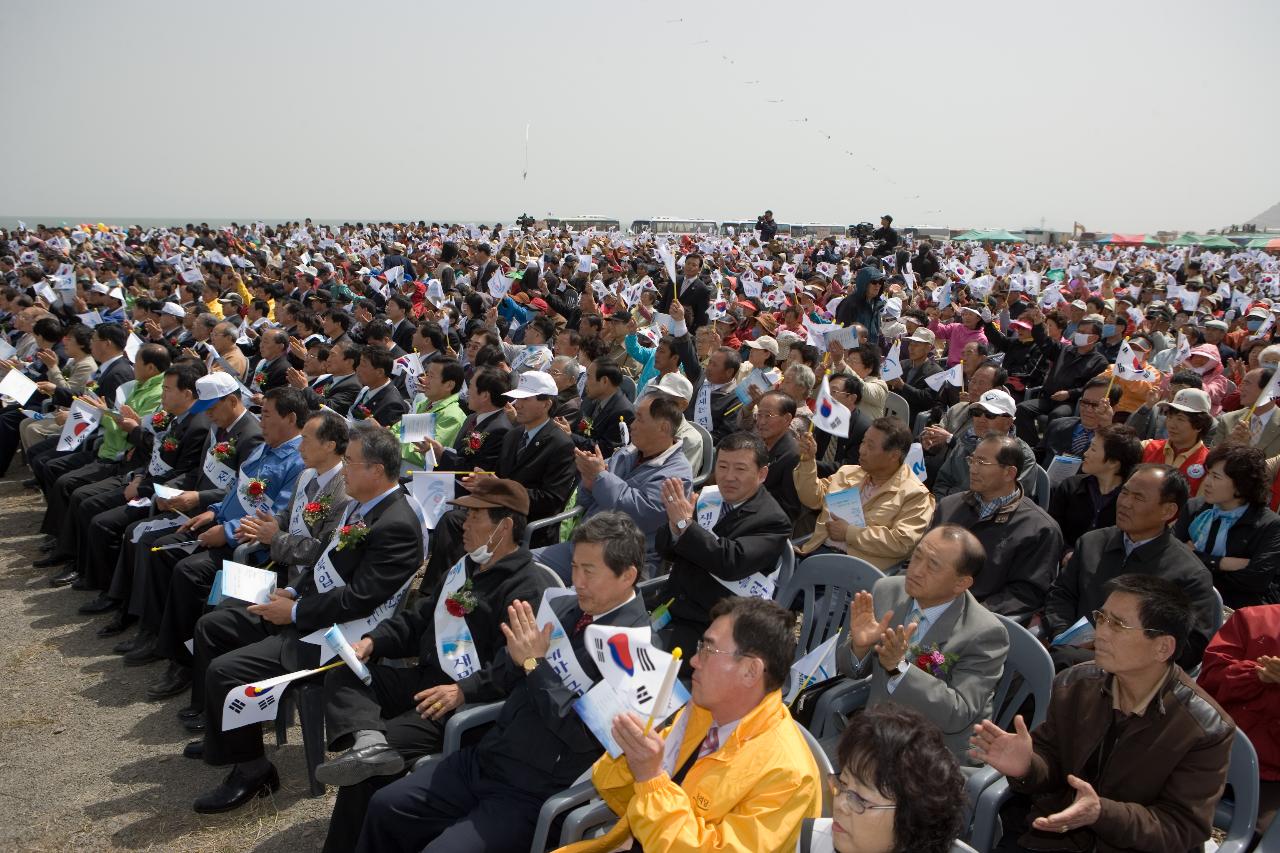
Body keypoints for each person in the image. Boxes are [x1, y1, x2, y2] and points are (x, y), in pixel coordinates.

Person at [354, 512, 651, 853]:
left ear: (627, 575)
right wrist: (511, 660)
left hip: (535, 789)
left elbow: (583, 736)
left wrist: (533, 663)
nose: (577, 581)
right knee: (386, 805)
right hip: (489, 758)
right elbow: (508, 673)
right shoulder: (566, 608)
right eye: (575, 567)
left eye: (590, 571)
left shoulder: (636, 652)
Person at [187, 421, 425, 813]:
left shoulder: (396, 523)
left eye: (349, 462)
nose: (343, 469)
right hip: (312, 610)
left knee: (227, 671)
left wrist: (295, 610)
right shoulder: (360, 506)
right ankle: (227, 734)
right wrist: (294, 592)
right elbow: (326, 560)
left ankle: (253, 770)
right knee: (215, 626)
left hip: (343, 634)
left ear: (376, 470)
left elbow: (361, 599)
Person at [317, 478, 554, 853]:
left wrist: (464, 691)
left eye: (475, 515)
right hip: (425, 678)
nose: (463, 522)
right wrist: (374, 641)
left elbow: (511, 669)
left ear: (504, 526)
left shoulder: (525, 589)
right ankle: (369, 740)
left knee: (364, 774)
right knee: (344, 670)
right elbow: (419, 619)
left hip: (457, 705)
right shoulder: (467, 567)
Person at [971, 574, 1235, 853]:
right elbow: (1051, 765)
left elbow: (1181, 829)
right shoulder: (1075, 684)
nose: (1101, 633)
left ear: (1163, 647)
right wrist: (1028, 766)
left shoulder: (1205, 728)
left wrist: (1101, 813)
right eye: (1101, 618)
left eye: (1118, 625)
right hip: (1055, 837)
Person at [556, 597, 822, 853]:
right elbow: (619, 794)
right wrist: (631, 752)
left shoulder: (789, 776)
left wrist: (651, 778)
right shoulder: (703, 712)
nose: (694, 661)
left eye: (709, 649)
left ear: (750, 671)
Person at [140, 387, 309, 700]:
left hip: (250, 547)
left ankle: (183, 662)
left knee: (188, 572)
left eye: (268, 415)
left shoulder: (297, 462)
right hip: (221, 527)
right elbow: (236, 491)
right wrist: (212, 512)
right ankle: (159, 636)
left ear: (290, 418)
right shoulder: (263, 449)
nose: (261, 422)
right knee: (161, 549)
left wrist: (227, 531)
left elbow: (275, 517)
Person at [836, 525, 1009, 760]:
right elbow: (850, 670)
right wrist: (860, 648)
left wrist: (899, 668)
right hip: (875, 734)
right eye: (917, 556)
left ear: (961, 583)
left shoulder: (984, 634)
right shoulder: (887, 590)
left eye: (933, 566)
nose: (916, 571)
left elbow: (957, 713)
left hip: (931, 752)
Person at [1042, 464, 1219, 672]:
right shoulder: (1091, 543)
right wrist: (1064, 635)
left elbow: (1189, 648)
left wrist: (1112, 652)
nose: (1125, 503)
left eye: (1138, 498)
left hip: (1130, 674)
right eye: (1124, 493)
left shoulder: (1188, 574)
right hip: (1068, 654)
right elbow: (1061, 595)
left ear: (1168, 511)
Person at [653, 432, 792, 658]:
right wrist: (674, 526)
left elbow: (730, 562)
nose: (728, 477)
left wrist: (685, 525)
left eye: (740, 469)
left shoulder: (773, 520)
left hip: (715, 628)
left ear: (762, 473)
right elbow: (665, 550)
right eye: (723, 466)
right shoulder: (709, 498)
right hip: (671, 606)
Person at [534, 394, 692, 581]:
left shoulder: (677, 474)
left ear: (663, 427)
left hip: (620, 561)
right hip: (585, 545)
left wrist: (600, 477)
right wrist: (588, 479)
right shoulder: (628, 453)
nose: (632, 425)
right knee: (519, 565)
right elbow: (587, 501)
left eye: (640, 419)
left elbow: (642, 515)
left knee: (550, 594)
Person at [796, 704, 967, 853]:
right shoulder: (814, 840)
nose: (840, 805)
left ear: (911, 820)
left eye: (860, 799)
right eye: (842, 785)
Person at [931, 434, 1063, 622]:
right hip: (927, 601)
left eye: (982, 463)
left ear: (1009, 473)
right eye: (972, 460)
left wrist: (971, 614)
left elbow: (1026, 593)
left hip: (976, 621)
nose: (973, 469)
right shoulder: (949, 506)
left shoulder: (1040, 529)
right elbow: (920, 558)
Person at [795, 417, 934, 569]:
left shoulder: (916, 495)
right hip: (816, 554)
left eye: (870, 446)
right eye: (863, 442)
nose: (862, 450)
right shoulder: (849, 473)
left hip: (857, 573)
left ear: (894, 455)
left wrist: (850, 533)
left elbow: (902, 542)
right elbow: (811, 499)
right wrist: (808, 462)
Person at [1173, 443, 1280, 608]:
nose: (1207, 482)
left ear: (1241, 484)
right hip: (1186, 597)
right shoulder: (1195, 508)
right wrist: (1224, 563)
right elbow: (1172, 556)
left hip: (1236, 608)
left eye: (1216, 477)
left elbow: (1255, 580)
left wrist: (1198, 557)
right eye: (1208, 474)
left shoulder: (1269, 524)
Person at [1198, 605, 1280, 811]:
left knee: (1263, 836)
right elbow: (1208, 682)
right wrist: (1255, 675)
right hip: (1209, 753)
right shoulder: (1253, 619)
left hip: (1272, 777)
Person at [1014, 312, 1108, 446]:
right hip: (1048, 397)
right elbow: (1044, 342)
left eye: (1083, 332)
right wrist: (1038, 324)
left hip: (1070, 403)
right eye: (1078, 331)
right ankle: (1031, 444)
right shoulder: (1064, 349)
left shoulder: (1099, 362)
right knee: (1022, 409)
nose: (1078, 334)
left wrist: (1069, 393)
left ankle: (1046, 447)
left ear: (1094, 337)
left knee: (1057, 416)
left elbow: (1090, 388)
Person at [1049, 424, 1143, 556]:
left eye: (1093, 449)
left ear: (1113, 462)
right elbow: (1052, 528)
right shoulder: (1070, 487)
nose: (1085, 454)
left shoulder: (1131, 501)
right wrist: (1066, 552)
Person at [931, 389, 1037, 498]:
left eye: (990, 415)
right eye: (977, 413)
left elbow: (1009, 499)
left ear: (1008, 422)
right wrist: (944, 507)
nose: (981, 419)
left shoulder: (1023, 456)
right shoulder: (965, 441)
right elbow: (942, 483)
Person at [1138, 387, 1213, 495]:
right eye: (1170, 417)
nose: (1171, 425)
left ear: (1199, 425)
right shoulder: (1147, 447)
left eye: (1180, 419)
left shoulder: (1209, 464)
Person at [1038, 376, 1121, 467]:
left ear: (1114, 408)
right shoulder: (1057, 425)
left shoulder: (1117, 442)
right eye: (1085, 402)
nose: (1088, 409)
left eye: (1096, 405)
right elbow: (1038, 456)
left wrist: (1106, 428)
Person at [560, 357, 634, 459]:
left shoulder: (623, 412)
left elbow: (606, 450)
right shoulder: (591, 398)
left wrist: (570, 436)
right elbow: (581, 429)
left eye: (589, 377)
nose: (585, 382)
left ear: (604, 381)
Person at [400, 358, 466, 471]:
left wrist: (390, 443)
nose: (424, 380)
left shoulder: (452, 416)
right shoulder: (424, 403)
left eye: (431, 376)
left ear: (449, 385)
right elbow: (400, 430)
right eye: (426, 374)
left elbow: (425, 454)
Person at [1216, 366, 1280, 456]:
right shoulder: (1227, 420)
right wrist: (1230, 444)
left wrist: (1245, 448)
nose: (1240, 389)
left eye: (1247, 383)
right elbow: (1212, 461)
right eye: (1241, 384)